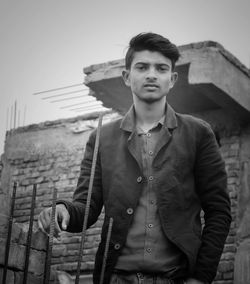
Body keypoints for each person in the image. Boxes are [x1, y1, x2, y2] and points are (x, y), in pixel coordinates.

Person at [38, 32, 232, 284]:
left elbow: (219, 212)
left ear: (172, 79)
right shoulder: (102, 138)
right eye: (142, 67)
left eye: (161, 68)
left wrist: (201, 278)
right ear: (127, 77)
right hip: (116, 278)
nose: (152, 74)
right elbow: (87, 208)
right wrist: (62, 209)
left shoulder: (198, 133)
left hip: (177, 277)